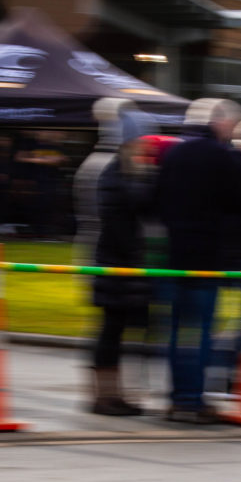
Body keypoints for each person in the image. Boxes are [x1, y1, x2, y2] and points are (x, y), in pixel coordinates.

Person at [155, 98, 241, 423]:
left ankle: (176, 398)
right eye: (233, 127)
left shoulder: (172, 152)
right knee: (201, 331)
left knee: (175, 331)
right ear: (223, 123)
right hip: (208, 258)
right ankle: (194, 401)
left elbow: (154, 199)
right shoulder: (224, 157)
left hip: (173, 256)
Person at [88, 109, 158, 416]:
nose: (147, 147)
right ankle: (104, 395)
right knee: (111, 331)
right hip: (116, 266)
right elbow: (123, 218)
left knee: (120, 331)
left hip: (126, 266)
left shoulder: (129, 172)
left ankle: (117, 394)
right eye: (142, 141)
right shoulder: (115, 174)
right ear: (129, 142)